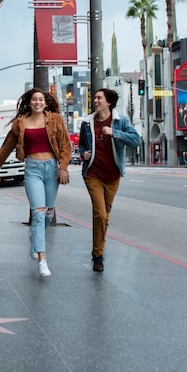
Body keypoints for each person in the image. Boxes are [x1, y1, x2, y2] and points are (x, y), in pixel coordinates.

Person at [0, 88, 71, 278]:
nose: (37, 102)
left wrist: (63, 167)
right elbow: (6, 148)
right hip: (32, 169)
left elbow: (66, 146)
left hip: (52, 169)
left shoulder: (55, 120)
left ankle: (35, 240)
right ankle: (42, 259)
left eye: (41, 100)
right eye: (34, 99)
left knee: (48, 213)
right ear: (29, 103)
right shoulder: (21, 124)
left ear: (45, 103)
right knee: (38, 212)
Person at [79, 87, 141, 272]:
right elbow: (82, 145)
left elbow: (136, 140)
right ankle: (98, 255)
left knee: (105, 216)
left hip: (113, 175)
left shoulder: (120, 121)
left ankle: (98, 248)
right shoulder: (87, 123)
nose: (96, 101)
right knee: (101, 214)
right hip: (93, 174)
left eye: (99, 98)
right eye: (95, 98)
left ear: (109, 102)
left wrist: (115, 133)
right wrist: (84, 153)